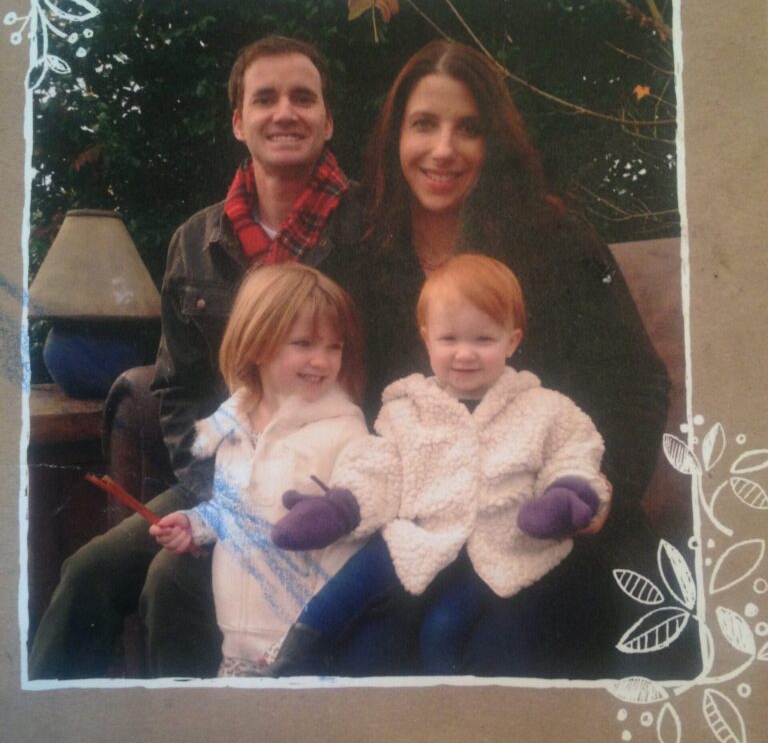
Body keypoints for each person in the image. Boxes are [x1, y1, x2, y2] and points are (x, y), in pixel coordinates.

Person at [327, 40, 673, 677]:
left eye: (469, 128)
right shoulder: (363, 247)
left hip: (540, 529)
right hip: (416, 530)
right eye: (423, 124)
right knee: (357, 655)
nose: (443, 149)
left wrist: (594, 496)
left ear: (496, 142)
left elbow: (637, 383)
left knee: (491, 659)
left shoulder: (554, 238)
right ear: (395, 136)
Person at [28, 35, 364, 680]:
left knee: (169, 579)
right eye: (264, 99)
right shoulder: (195, 242)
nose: (284, 112)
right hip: (225, 477)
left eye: (303, 98)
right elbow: (179, 391)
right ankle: (46, 716)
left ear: (328, 121)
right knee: (88, 571)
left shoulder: (371, 232)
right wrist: (225, 502)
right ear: (239, 121)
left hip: (327, 477)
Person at [267, 254, 611, 676]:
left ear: (512, 341)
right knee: (351, 585)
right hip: (422, 538)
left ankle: (442, 704)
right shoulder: (409, 408)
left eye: (483, 339)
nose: (464, 354)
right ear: (427, 340)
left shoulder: (545, 408)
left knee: (443, 628)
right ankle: (293, 658)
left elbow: (575, 451)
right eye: (449, 339)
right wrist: (342, 506)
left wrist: (567, 493)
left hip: (500, 544)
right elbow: (380, 468)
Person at [150, 264, 369, 677]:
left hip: (304, 649)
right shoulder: (232, 424)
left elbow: (350, 545)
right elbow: (233, 507)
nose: (322, 361)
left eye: (334, 346)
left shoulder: (345, 433)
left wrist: (310, 635)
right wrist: (194, 524)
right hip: (236, 647)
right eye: (303, 343)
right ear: (255, 344)